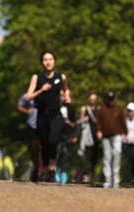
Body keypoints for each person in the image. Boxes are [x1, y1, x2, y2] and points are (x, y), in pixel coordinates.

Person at [26, 51, 70, 182]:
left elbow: (65, 89)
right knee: (44, 143)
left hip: (56, 114)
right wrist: (41, 90)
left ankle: (52, 165)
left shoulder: (61, 77)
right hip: (42, 114)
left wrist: (66, 96)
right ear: (42, 62)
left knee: (53, 139)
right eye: (45, 60)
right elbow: (28, 97)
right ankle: (45, 168)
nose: (48, 62)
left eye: (50, 59)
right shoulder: (37, 78)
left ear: (54, 61)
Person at [96, 91, 127, 189]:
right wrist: (98, 131)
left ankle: (116, 174)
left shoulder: (119, 109)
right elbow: (98, 121)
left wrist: (126, 133)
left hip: (117, 135)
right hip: (106, 135)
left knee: (117, 152)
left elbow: (123, 121)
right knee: (107, 156)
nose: (111, 101)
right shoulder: (102, 109)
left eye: (112, 99)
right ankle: (108, 177)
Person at [17, 91, 40, 182]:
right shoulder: (27, 95)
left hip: (44, 123)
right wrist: (27, 111)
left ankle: (42, 170)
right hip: (32, 124)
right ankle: (36, 168)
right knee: (34, 148)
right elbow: (19, 106)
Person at [78, 92, 99, 185]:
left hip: (96, 135)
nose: (92, 101)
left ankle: (91, 174)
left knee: (95, 156)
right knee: (87, 155)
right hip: (87, 135)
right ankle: (85, 174)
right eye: (91, 99)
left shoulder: (98, 109)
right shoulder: (84, 109)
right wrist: (84, 120)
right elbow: (80, 122)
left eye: (94, 99)